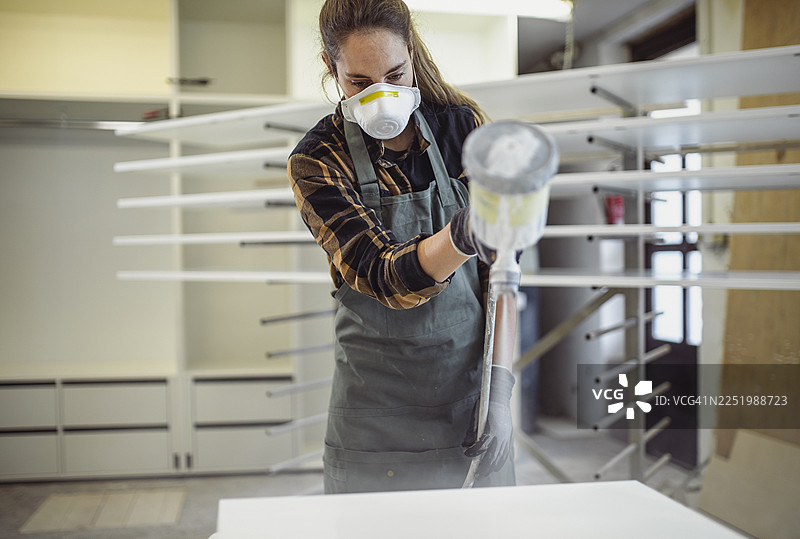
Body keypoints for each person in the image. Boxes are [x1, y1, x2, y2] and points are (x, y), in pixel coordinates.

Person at [288, 0, 516, 494]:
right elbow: (382, 277)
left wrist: (500, 392)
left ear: (412, 53)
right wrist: (461, 236)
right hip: (376, 422)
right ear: (333, 70)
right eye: (361, 84)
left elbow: (503, 279)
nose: (383, 97)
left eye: (395, 75)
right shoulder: (317, 159)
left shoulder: (461, 128)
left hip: (469, 408)